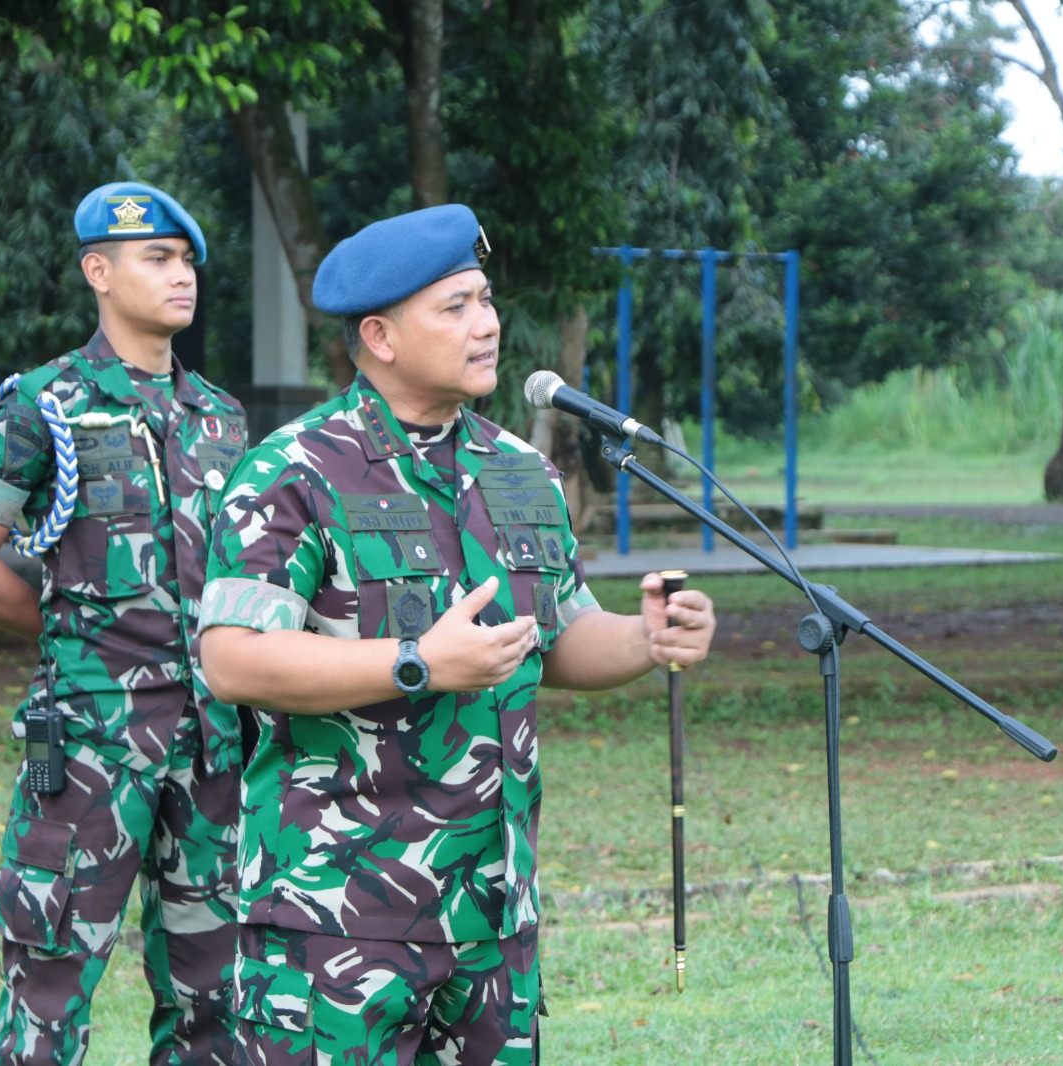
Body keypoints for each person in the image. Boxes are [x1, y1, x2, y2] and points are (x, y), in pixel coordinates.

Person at [197, 203, 717, 1065]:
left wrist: (645, 637)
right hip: (337, 917)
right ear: (381, 335)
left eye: (485, 300)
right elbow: (230, 658)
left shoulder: (518, 471)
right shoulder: (294, 471)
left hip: (493, 917)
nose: (487, 326)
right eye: (455, 307)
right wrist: (417, 663)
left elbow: (558, 635)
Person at [0, 181, 248, 1065]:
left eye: (186, 259)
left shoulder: (218, 417)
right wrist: (68, 634)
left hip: (215, 746)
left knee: (217, 995)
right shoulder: (44, 404)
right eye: (157, 258)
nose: (181, 275)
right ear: (98, 271)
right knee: (51, 983)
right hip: (92, 745)